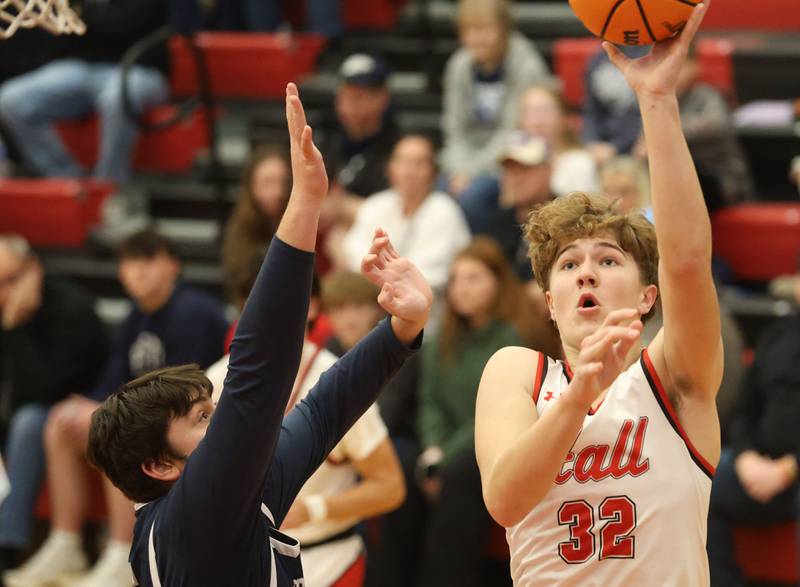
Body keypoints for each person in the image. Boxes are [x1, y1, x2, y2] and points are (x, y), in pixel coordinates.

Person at [85, 83, 432, 586]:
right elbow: (258, 371)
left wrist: (401, 328)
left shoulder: (228, 502)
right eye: (202, 418)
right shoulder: (196, 516)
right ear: (160, 465)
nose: (223, 417)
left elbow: (322, 411)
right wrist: (305, 203)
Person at [475, 5, 722, 586]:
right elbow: (505, 501)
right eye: (568, 265)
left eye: (608, 260)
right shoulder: (518, 374)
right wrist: (579, 392)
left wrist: (656, 99)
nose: (586, 273)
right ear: (549, 302)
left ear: (647, 297)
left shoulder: (673, 379)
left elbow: (688, 264)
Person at [4, 230, 228, 587]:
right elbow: (112, 378)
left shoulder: (193, 312)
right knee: (61, 421)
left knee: (118, 432)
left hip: (185, 429)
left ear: (173, 266)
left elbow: (190, 391)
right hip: (154, 420)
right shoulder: (137, 316)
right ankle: (66, 543)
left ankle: (122, 552)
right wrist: (90, 404)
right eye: (130, 262)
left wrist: (105, 412)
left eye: (148, 261)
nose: (138, 271)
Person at [205, 270, 405, 587]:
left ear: (310, 306)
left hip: (326, 558)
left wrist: (315, 509)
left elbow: (390, 487)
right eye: (254, 303)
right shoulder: (214, 382)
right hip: (239, 562)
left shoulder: (339, 382)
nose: (263, 313)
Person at [416, 237, 547, 587]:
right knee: (404, 469)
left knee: (460, 474)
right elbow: (430, 403)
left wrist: (444, 457)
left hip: (503, 443)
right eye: (456, 279)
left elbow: (495, 414)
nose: (462, 288)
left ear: (497, 282)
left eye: (473, 278)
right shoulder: (440, 341)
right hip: (449, 450)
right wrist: (433, 451)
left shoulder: (514, 337)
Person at [0, 236, 108, 575]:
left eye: (10, 280)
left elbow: (47, 389)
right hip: (24, 410)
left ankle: (7, 545)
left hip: (79, 408)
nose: (3, 292)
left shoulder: (71, 308)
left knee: (29, 422)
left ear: (33, 269)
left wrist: (15, 328)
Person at [0, 0, 170, 184]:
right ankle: (68, 182)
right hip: (82, 68)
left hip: (140, 68)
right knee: (12, 99)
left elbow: (126, 23)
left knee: (116, 96)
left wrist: (79, 11)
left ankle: (109, 186)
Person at [707, 302, 800, 586]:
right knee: (700, 482)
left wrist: (790, 469)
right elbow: (744, 410)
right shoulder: (778, 333)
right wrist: (746, 457)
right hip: (760, 462)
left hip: (793, 471)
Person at [341, 134, 471, 329]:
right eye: (402, 162)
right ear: (390, 169)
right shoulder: (375, 205)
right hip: (373, 308)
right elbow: (352, 256)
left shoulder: (445, 211)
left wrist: (378, 274)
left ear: (434, 172)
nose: (409, 171)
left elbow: (430, 278)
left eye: (418, 163)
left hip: (429, 322)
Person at [440, 0, 550, 229]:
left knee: (472, 199)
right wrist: (460, 170)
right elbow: (454, 128)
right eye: (469, 30)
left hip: (510, 160)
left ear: (504, 29)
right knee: (436, 194)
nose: (476, 38)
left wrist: (470, 173)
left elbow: (512, 130)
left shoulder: (526, 65)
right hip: (465, 162)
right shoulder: (459, 65)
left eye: (484, 29)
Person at [222, 145, 291, 309]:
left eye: (283, 182)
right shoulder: (239, 231)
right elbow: (240, 287)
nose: (277, 191)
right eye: (268, 182)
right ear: (251, 186)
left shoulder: (307, 221)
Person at [519, 85, 599, 197]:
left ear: (563, 118)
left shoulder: (579, 162)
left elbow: (583, 205)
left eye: (545, 112)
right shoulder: (513, 161)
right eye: (530, 113)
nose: (538, 122)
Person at [581, 45, 649, 166]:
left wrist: (617, 147)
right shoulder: (596, 62)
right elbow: (592, 112)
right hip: (604, 149)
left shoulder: (648, 56)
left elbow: (649, 111)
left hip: (638, 146)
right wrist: (592, 142)